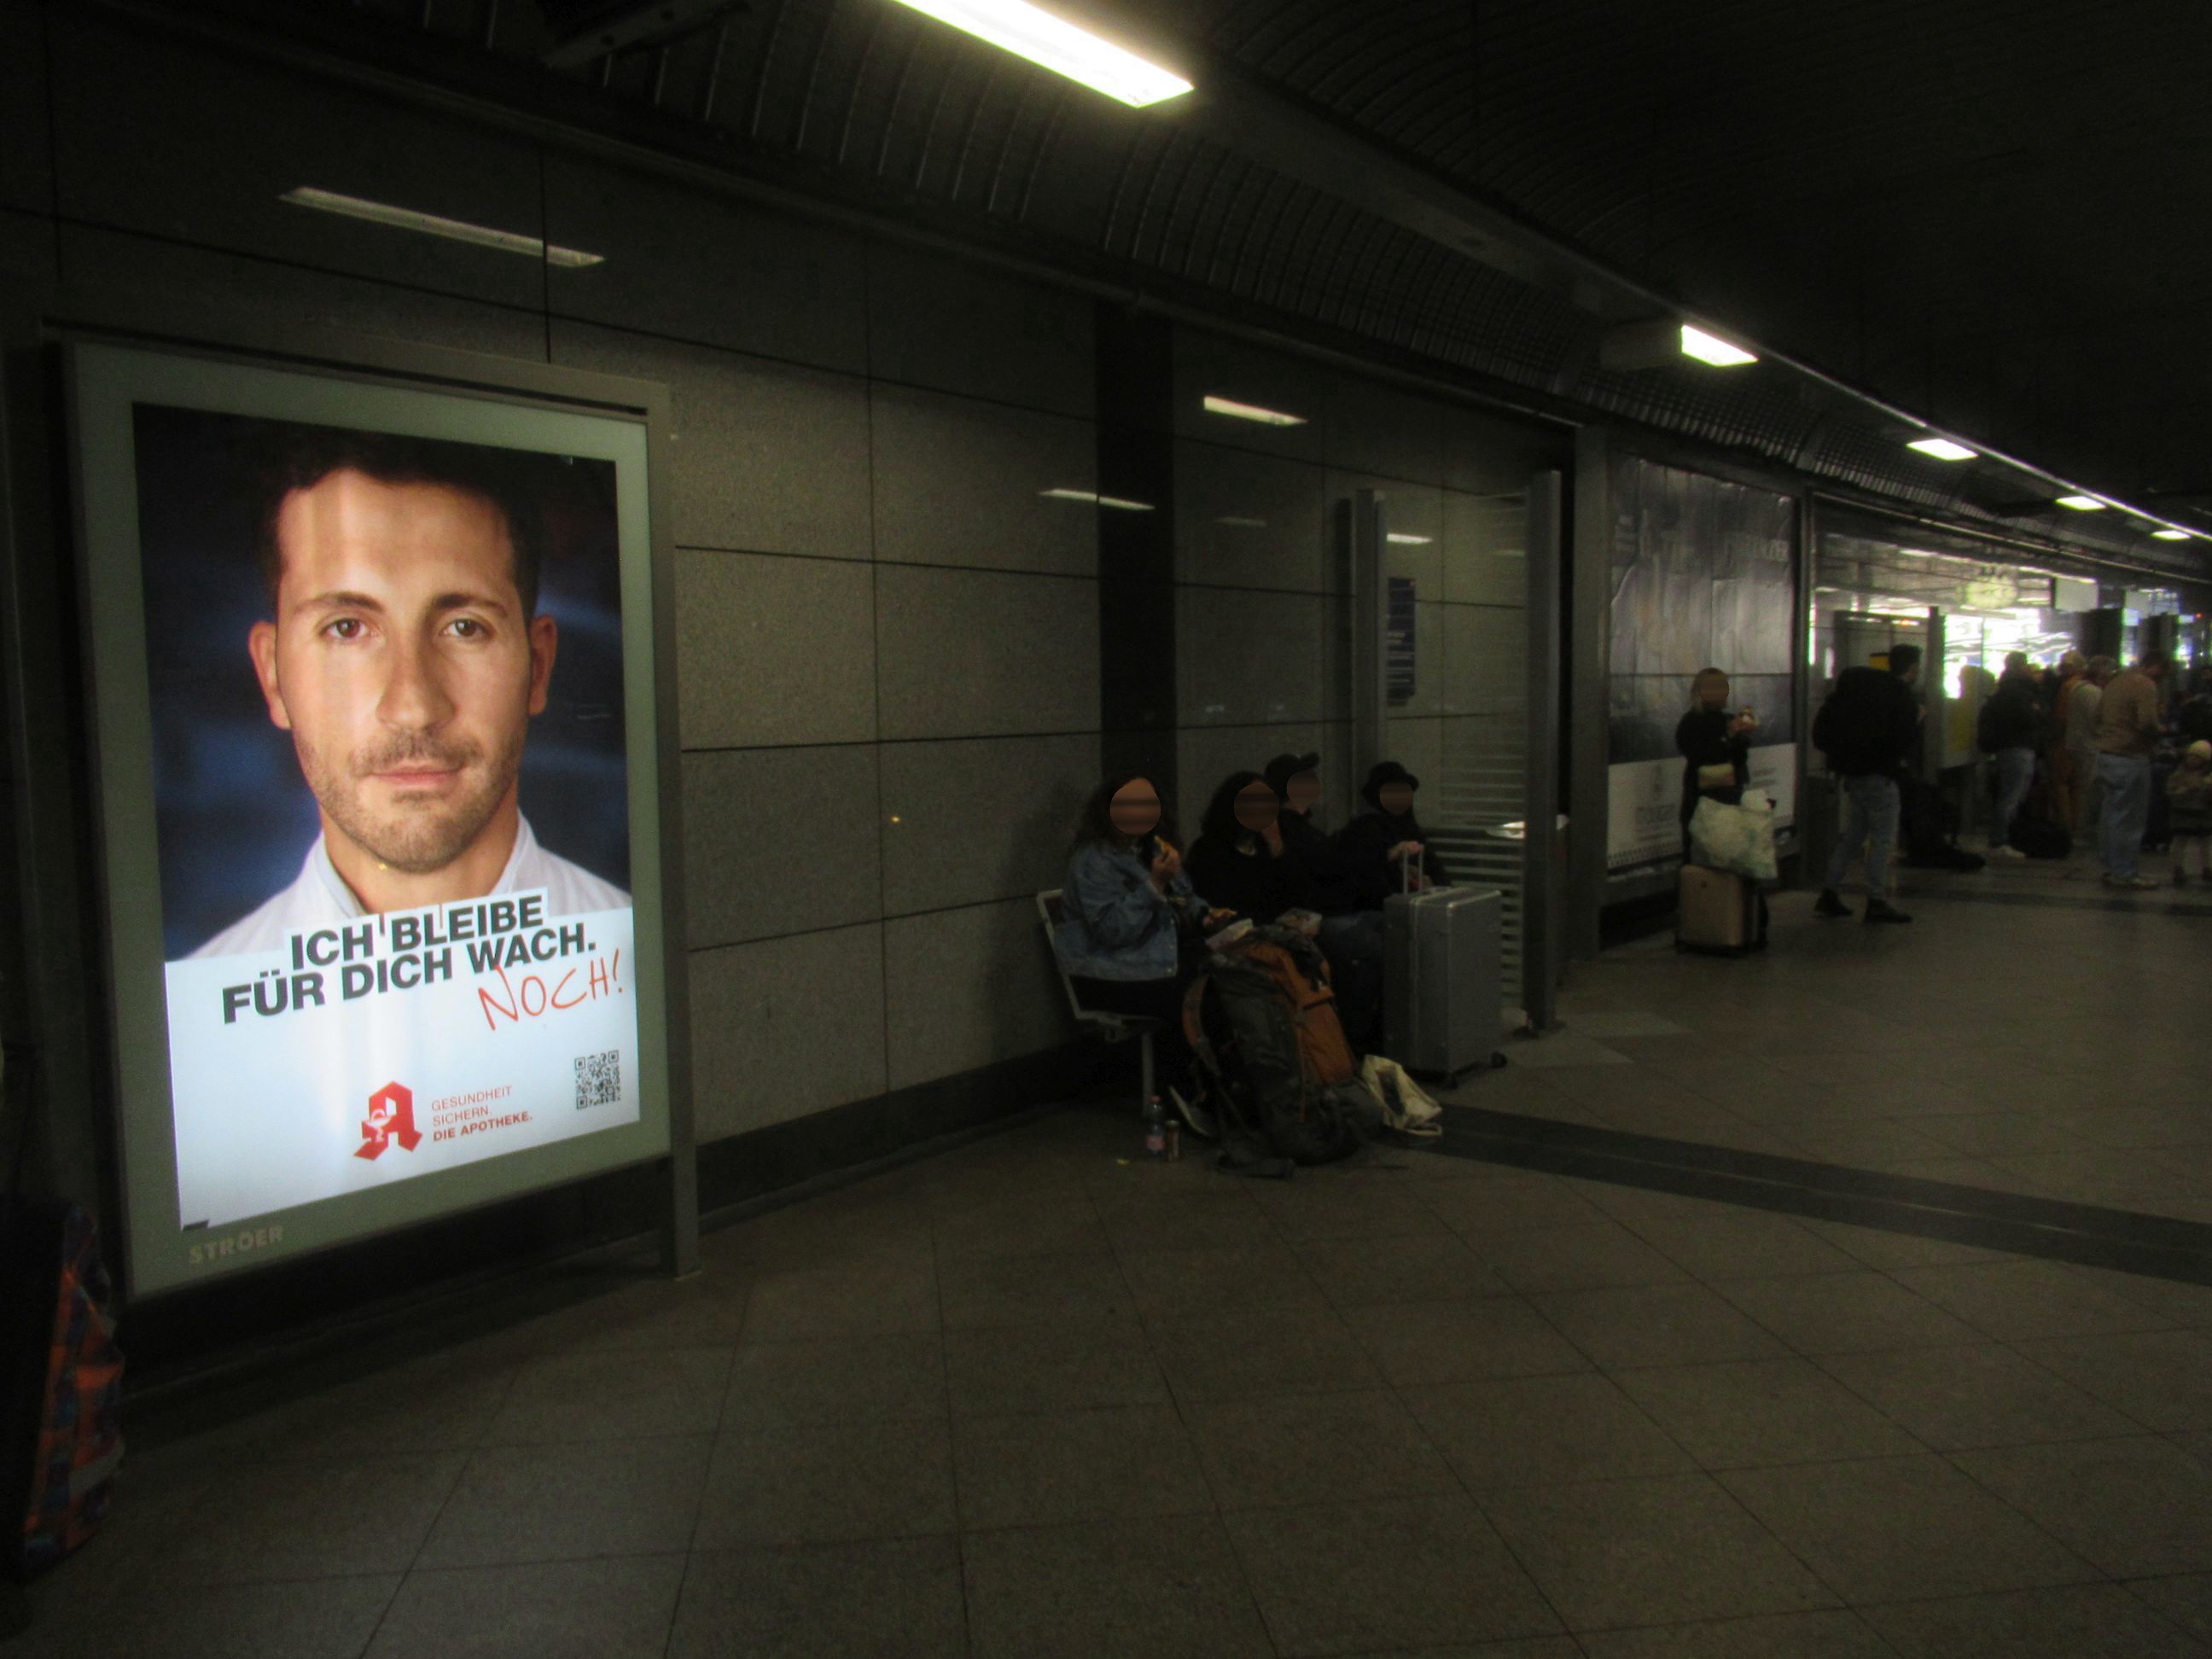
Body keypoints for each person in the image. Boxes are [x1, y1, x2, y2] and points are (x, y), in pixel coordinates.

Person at [193, 431, 626, 958]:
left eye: (465, 628)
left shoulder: (636, 951)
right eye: (347, 628)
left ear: (538, 667)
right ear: (273, 676)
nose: (413, 709)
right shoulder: (206, 986)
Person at [1052, 771, 1235, 1133]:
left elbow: (1185, 896)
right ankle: (1184, 1093)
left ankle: (1229, 1093)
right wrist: (1154, 885)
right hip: (1108, 972)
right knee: (1199, 998)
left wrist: (1206, 916)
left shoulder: (1151, 847)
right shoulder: (1093, 860)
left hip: (1154, 961)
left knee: (1235, 980)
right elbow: (1112, 931)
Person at [1262, 753, 1385, 1049]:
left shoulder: (1301, 826)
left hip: (1335, 910)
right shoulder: (1288, 828)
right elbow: (1320, 871)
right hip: (1319, 916)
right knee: (1377, 949)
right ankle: (1359, 1038)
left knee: (1392, 928)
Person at [1812, 643, 1924, 924]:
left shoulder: (1852, 692)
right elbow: (1903, 740)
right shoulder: (1900, 695)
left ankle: (1829, 891)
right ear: (1912, 668)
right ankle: (1876, 899)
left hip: (1853, 776)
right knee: (1882, 839)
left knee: (1853, 836)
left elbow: (1821, 733)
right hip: (1881, 776)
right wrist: (1918, 720)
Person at [2093, 654, 2170, 890]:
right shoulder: (2144, 684)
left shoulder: (2115, 682)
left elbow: (2097, 716)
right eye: (2162, 672)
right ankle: (2125, 872)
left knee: (2110, 815)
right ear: (2153, 666)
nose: (2161, 678)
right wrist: (2161, 731)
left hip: (2106, 756)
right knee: (2130, 819)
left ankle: (2109, 867)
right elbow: (2146, 721)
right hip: (2130, 756)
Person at [1336, 760, 1450, 907]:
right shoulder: (1366, 828)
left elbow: (1436, 871)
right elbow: (1364, 875)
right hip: (1383, 910)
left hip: (1418, 907)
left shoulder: (1410, 829)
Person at [1675, 667, 1755, 860]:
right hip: (1702, 798)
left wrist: (1742, 736)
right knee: (1700, 852)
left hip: (1729, 796)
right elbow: (1699, 755)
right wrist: (1728, 738)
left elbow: (1740, 759)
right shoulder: (1691, 722)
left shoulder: (1728, 719)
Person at [1976, 652, 2044, 859]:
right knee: (2012, 795)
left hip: (2008, 747)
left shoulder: (2004, 690)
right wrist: (2037, 711)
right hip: (2018, 747)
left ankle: (2005, 837)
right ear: (2020, 667)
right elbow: (2028, 718)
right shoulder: (2018, 693)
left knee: (2010, 794)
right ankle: (2000, 840)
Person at [2067, 656, 2116, 845]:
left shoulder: (2078, 688)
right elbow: (2097, 720)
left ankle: (2085, 829)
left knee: (2086, 790)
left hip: (2080, 744)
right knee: (2090, 792)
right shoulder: (2091, 692)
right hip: (2089, 747)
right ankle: (2086, 831)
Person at [2045, 649, 2088, 830]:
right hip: (2082, 741)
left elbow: (2061, 716)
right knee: (2077, 785)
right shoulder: (2087, 685)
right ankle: (2077, 824)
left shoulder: (2067, 686)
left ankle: (2066, 825)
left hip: (2064, 741)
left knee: (2061, 783)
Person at [2166, 740, 2212, 886]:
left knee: (2206, 842)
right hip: (2182, 813)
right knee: (2180, 841)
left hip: (2202, 812)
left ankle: (2208, 867)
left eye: (2198, 757)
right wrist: (2183, 791)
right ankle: (2177, 868)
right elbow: (2171, 791)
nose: (2193, 759)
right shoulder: (2179, 774)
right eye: (2191, 756)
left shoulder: (2207, 777)